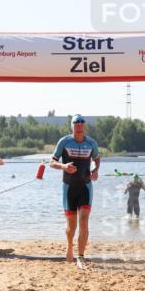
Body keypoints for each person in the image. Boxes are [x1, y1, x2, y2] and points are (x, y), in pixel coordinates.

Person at [49, 114, 100, 268]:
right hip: (69, 188)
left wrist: (96, 169)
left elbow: (97, 158)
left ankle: (81, 256)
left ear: (84, 126)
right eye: (76, 123)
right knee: (71, 226)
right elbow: (52, 162)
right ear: (72, 126)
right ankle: (70, 246)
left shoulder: (91, 143)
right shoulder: (64, 142)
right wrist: (64, 167)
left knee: (84, 221)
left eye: (81, 123)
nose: (79, 125)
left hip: (85, 187)